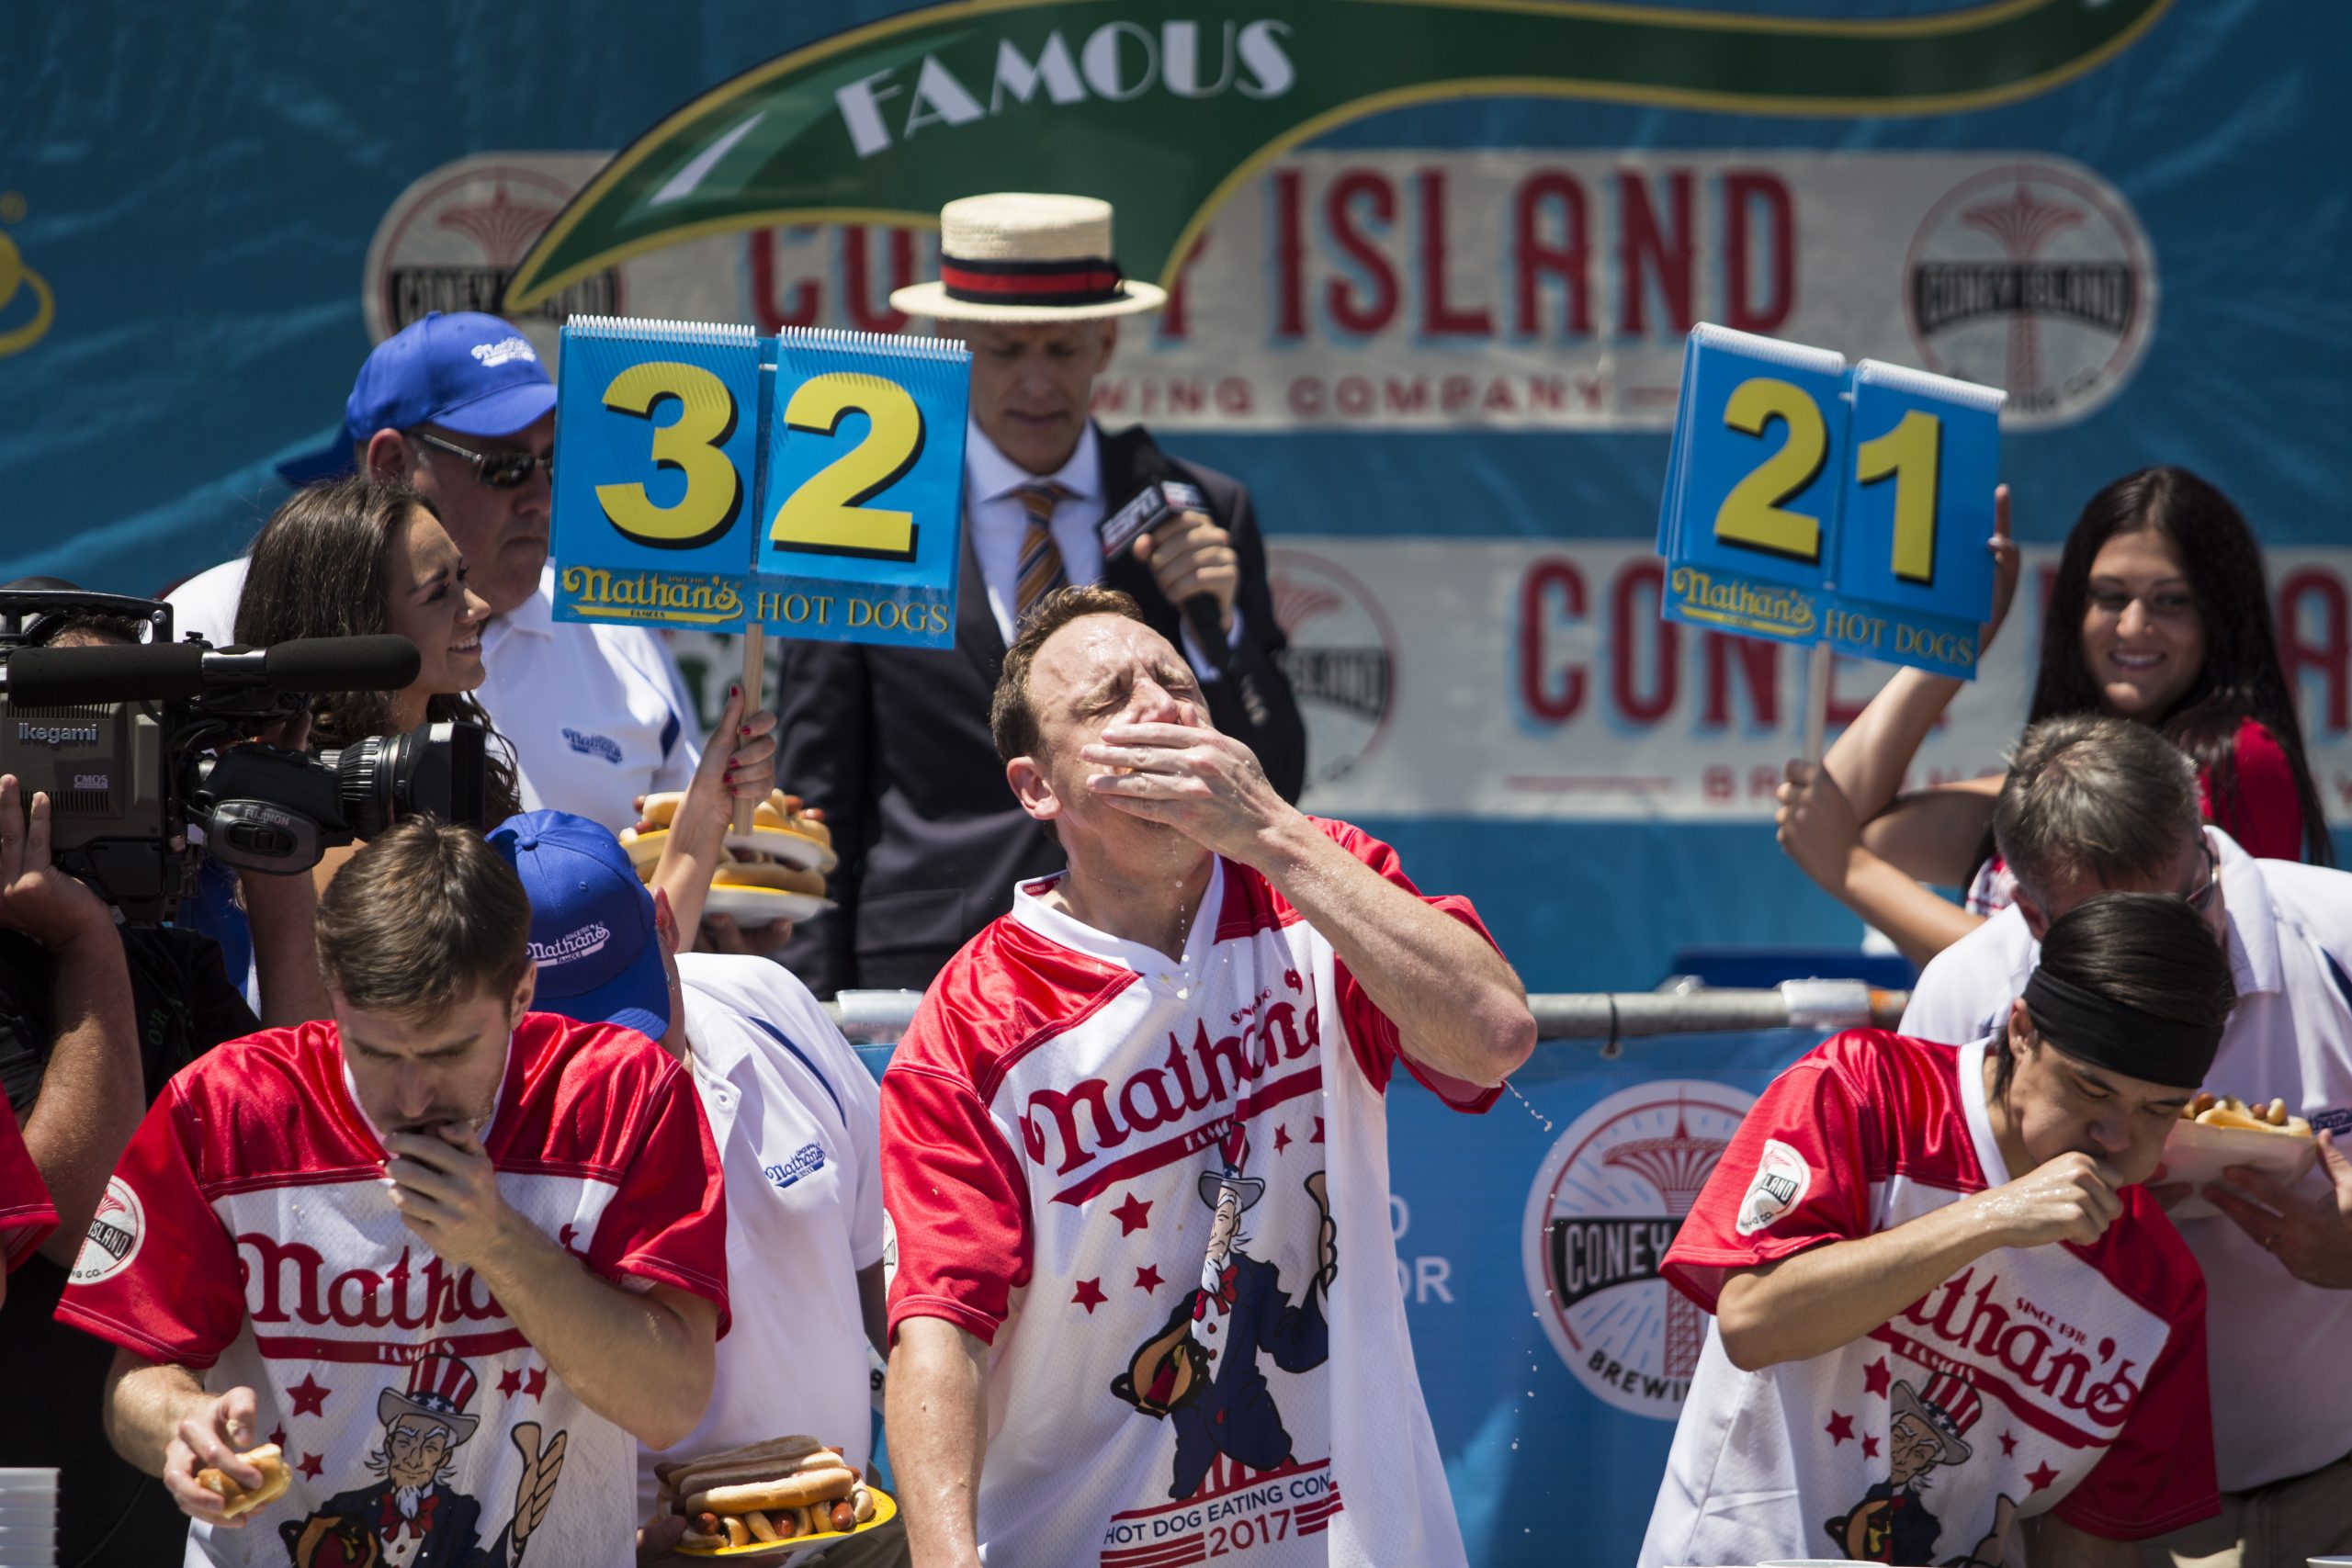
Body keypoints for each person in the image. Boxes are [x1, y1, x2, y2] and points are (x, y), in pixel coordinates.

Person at [879, 586, 1532, 1567]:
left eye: (1176, 684)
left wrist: (1274, 834)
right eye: (1106, 702)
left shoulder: (1319, 885)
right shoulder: (975, 1015)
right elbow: (940, 1327)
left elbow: (1492, 1036)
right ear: (1036, 787)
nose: (1159, 707)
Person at [55, 817, 729, 1567]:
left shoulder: (620, 1098)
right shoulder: (228, 1106)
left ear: (522, 993)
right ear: (333, 996)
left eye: (448, 1051)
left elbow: (671, 1401)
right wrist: (184, 1424)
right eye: (374, 1050)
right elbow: (134, 1383)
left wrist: (501, 1243)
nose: (411, 1096)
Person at [774, 193, 1306, 998]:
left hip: (1162, 966)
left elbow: (1280, 780)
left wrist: (1215, 637)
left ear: (1108, 339)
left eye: (1062, 348)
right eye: (1004, 349)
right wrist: (808, 1009)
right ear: (955, 344)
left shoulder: (1197, 508)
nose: (1035, 381)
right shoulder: (864, 517)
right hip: (930, 971)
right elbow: (815, 790)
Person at [1644, 892, 2232, 1567]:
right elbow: (1752, 1320)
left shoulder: (2159, 1284)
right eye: (2091, 1089)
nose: (2116, 1136)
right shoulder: (1867, 1088)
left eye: (2159, 1109)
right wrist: (1992, 1215)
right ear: (2022, 1030)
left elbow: (2089, 1543)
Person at [1900, 716, 2352, 1564]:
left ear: (2204, 837)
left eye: (2188, 905)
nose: (2176, 955)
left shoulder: (2338, 934)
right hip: (2079, 1510)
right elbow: (1907, 1260)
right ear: (2033, 917)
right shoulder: (1967, 996)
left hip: (2337, 1481)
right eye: (2123, 933)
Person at [0, 587, 336, 1567]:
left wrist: (279, 868)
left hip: (154, 1502)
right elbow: (83, 1227)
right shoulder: (96, 953)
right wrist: (86, 940)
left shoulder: (174, 964)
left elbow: (304, 1140)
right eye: (83, 745)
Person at [489, 795, 907, 1566]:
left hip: (859, 1529)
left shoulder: (769, 1002)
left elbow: (892, 1276)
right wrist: (624, 1551)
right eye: (574, 1037)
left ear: (665, 925)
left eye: (632, 1014)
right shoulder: (478, 1141)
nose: (624, 1067)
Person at [166, 310, 701, 834]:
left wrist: (723, 900)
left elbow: (693, 847)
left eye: (553, 462)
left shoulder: (613, 626)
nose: (543, 498)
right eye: (506, 467)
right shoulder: (210, 623)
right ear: (392, 466)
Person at [1777, 468, 2328, 966]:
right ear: (2074, 611)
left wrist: (1852, 873)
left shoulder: (2242, 759)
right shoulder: (2060, 776)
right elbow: (1839, 818)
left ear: (2221, 618)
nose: (2134, 626)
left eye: (2171, 601)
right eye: (2110, 597)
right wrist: (1958, 642)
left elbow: (2101, 988)